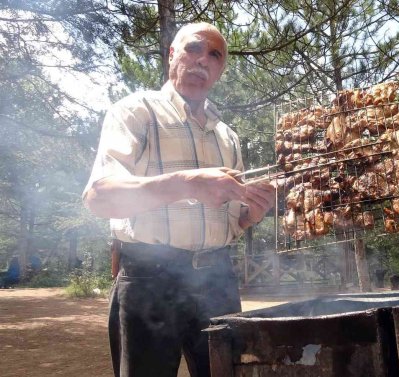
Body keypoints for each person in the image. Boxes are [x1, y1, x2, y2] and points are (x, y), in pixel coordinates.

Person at [82, 22, 275, 377]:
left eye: (215, 55)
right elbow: (99, 197)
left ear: (220, 71)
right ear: (172, 54)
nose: (203, 60)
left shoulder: (227, 137)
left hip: (217, 279)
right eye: (194, 49)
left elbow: (233, 220)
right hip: (150, 280)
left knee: (229, 373)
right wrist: (187, 183)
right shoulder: (136, 112)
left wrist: (251, 214)